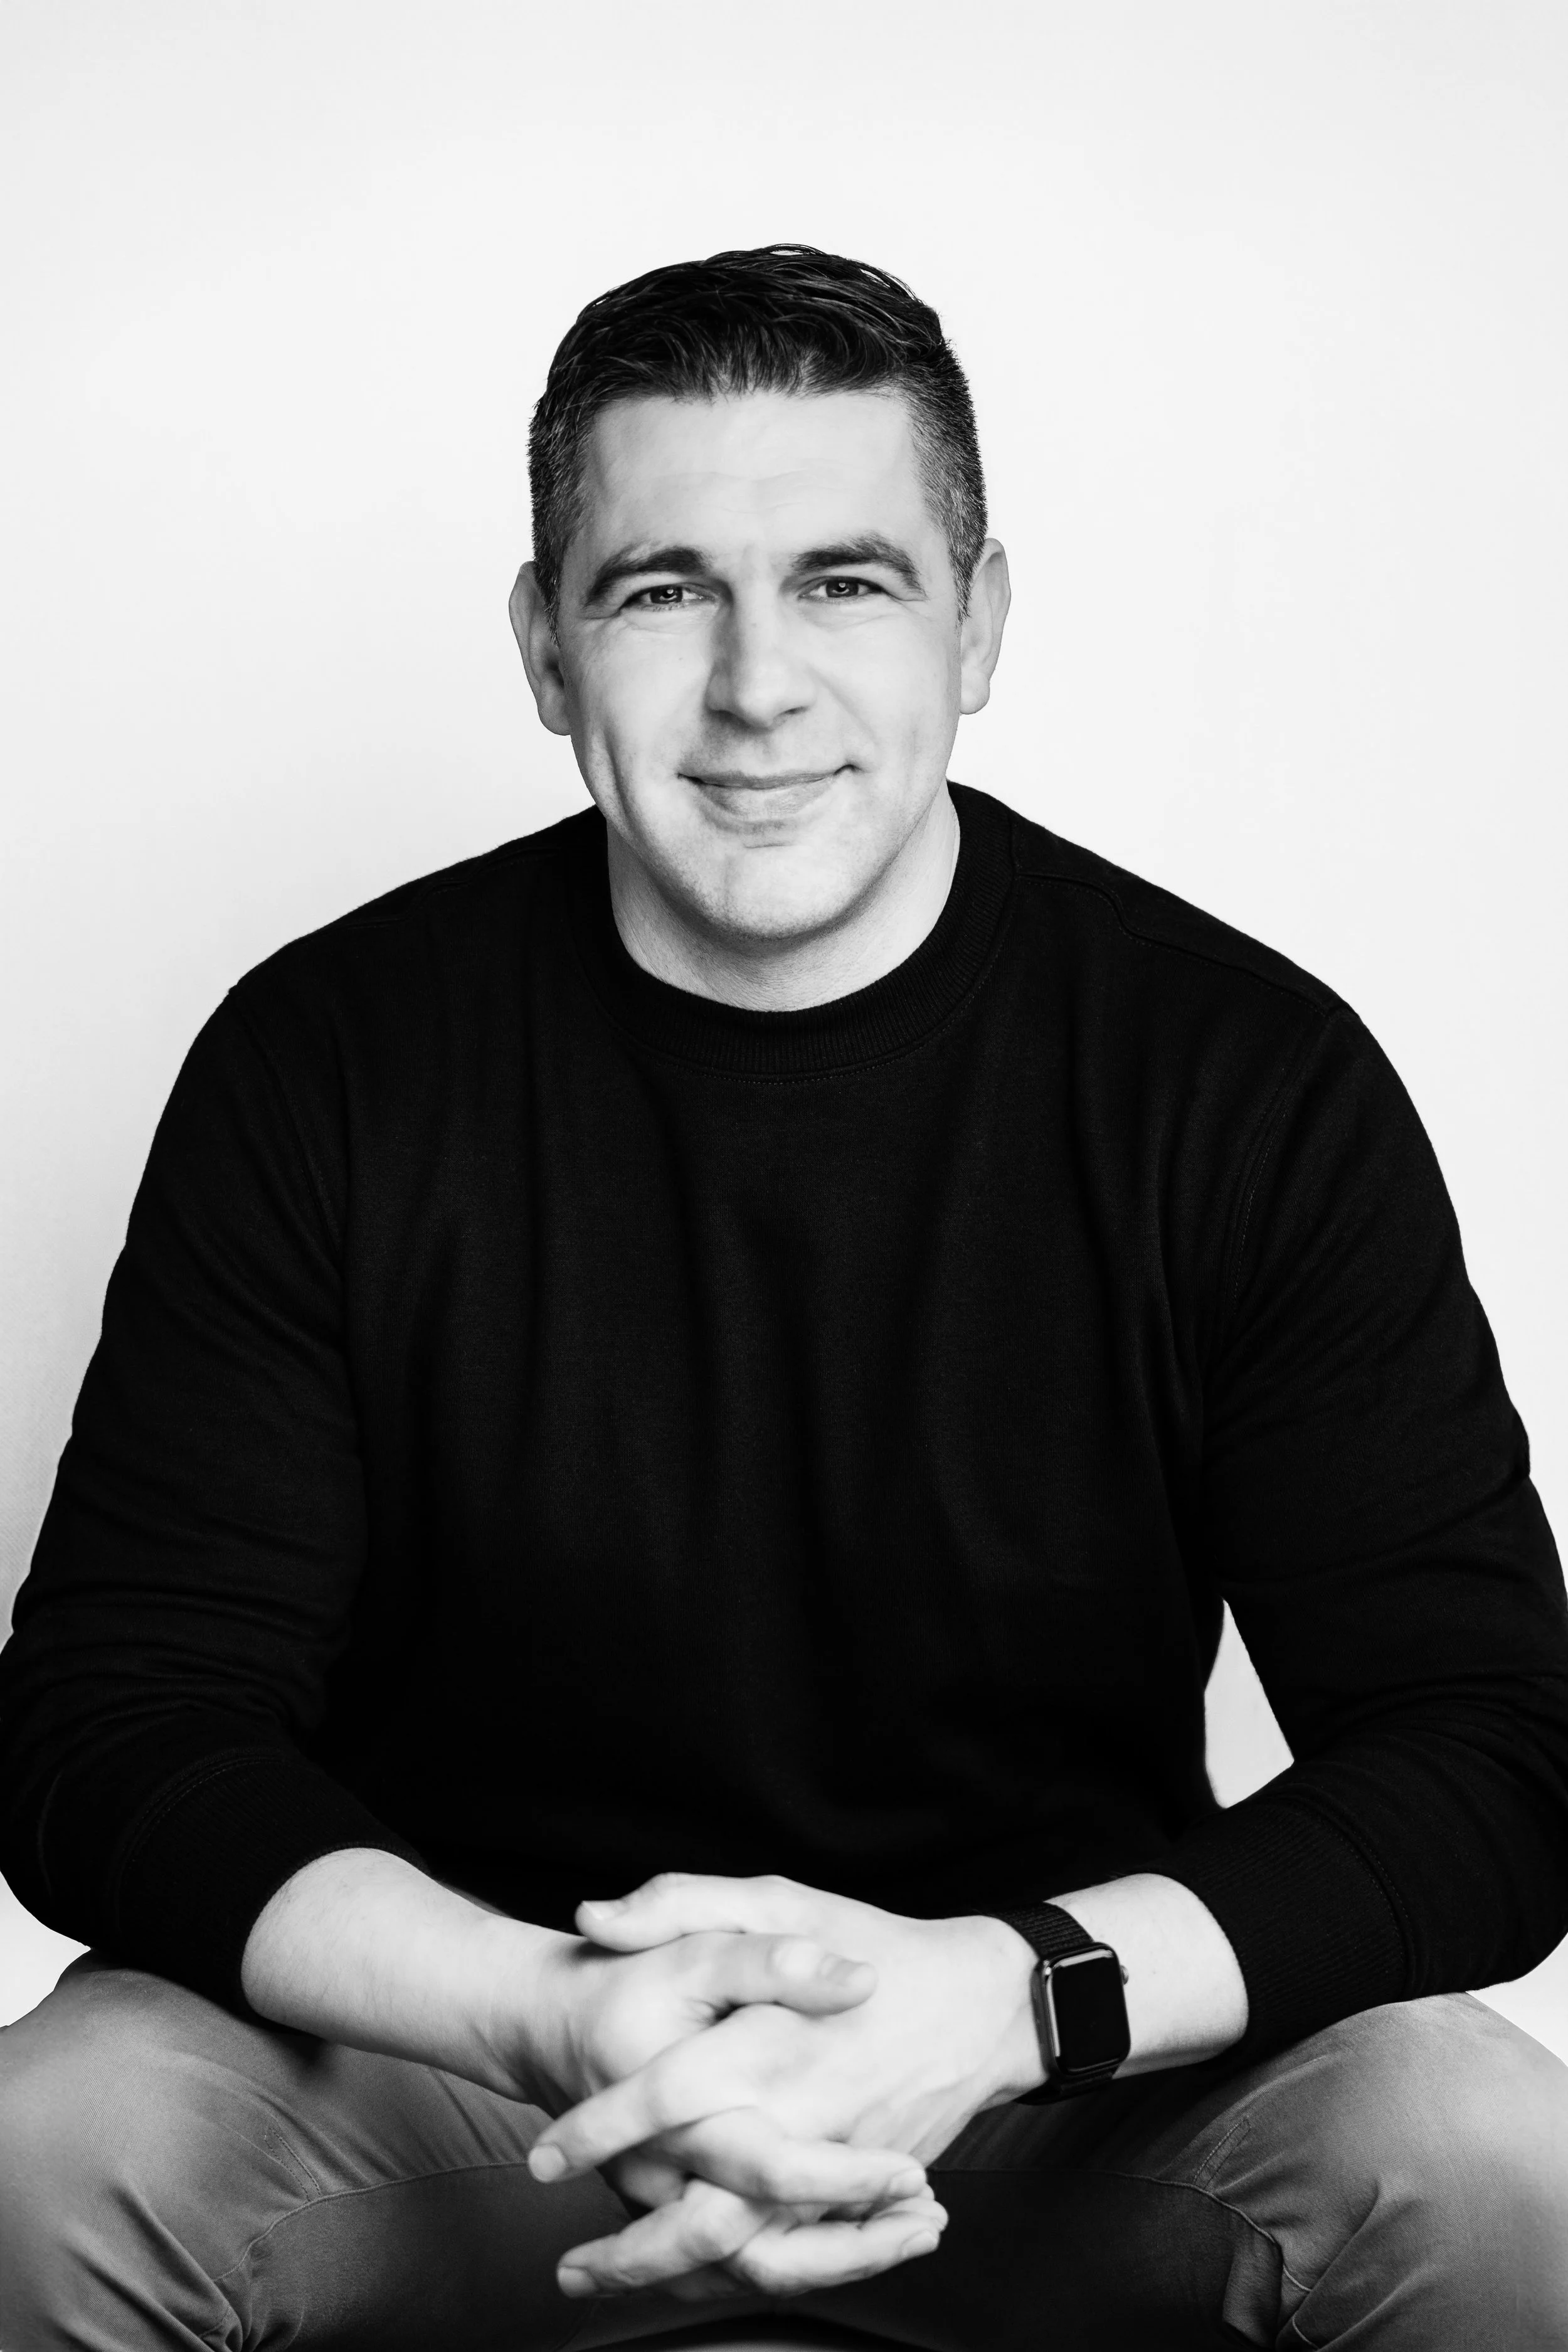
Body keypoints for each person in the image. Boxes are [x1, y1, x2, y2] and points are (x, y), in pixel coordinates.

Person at [1, 242, 1566, 2351]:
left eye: (844, 580)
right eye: (661, 590)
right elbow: (111, 1723)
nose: (756, 687)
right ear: (547, 645)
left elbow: (1491, 1751)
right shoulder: (333, 1060)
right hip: (486, 2081)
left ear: (978, 624)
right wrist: (553, 2009)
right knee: (51, 2137)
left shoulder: (1233, 1074)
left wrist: (1007, 1995)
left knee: (1483, 2157)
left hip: (1057, 2086)